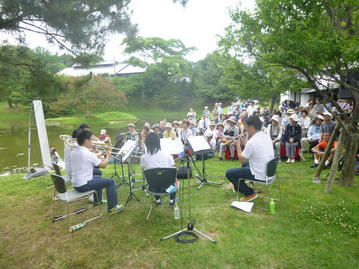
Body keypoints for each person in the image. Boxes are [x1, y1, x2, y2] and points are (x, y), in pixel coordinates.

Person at [71, 130, 124, 214]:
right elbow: (103, 165)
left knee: (98, 177)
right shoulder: (87, 153)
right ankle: (113, 207)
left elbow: (87, 163)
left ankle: (98, 201)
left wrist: (97, 155)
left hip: (76, 183)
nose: (92, 142)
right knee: (111, 182)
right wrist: (108, 156)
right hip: (83, 184)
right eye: (91, 140)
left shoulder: (74, 151)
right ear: (86, 140)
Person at [225, 116, 274, 201]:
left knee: (229, 173)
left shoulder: (252, 141)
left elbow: (242, 159)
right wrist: (245, 143)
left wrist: (238, 146)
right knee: (245, 164)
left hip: (259, 174)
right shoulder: (266, 136)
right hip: (268, 172)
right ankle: (239, 184)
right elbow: (256, 149)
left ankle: (249, 193)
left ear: (251, 127)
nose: (245, 129)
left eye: (246, 127)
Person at [140, 132, 176, 206]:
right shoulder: (167, 155)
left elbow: (143, 170)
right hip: (168, 187)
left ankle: (158, 199)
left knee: (154, 177)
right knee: (173, 181)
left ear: (147, 143)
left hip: (152, 188)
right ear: (159, 142)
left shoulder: (143, 158)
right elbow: (173, 169)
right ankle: (172, 200)